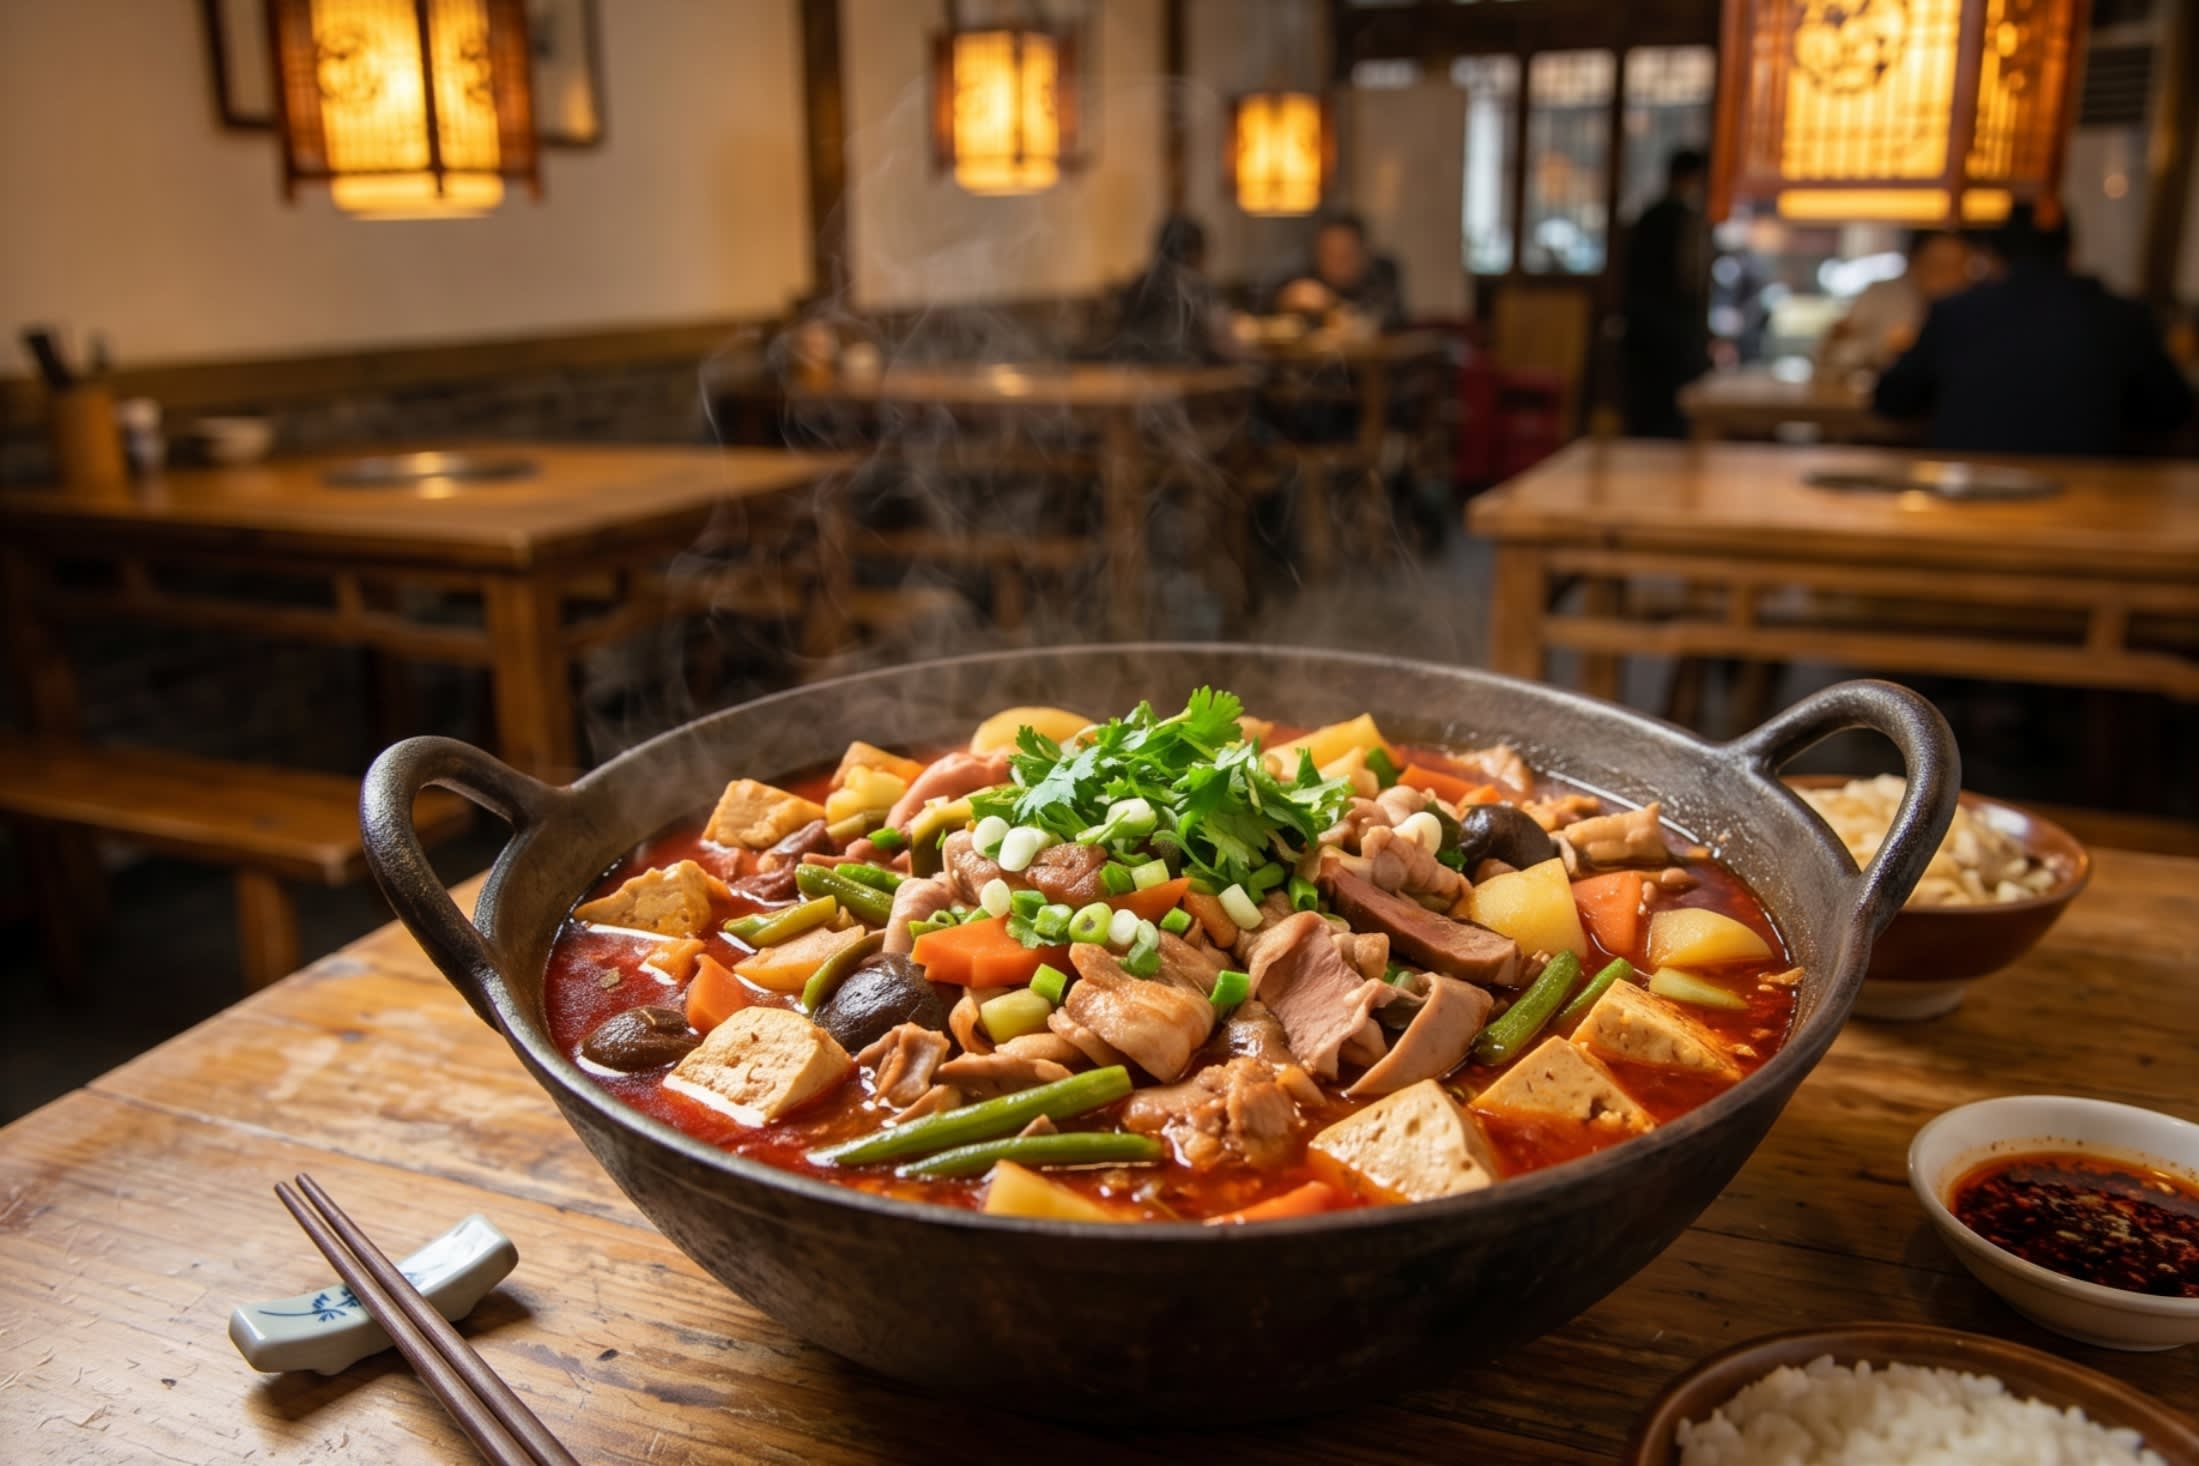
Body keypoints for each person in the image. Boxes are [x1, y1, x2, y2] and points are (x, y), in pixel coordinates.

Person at [1872, 212, 2193, 456]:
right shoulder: (2124, 317)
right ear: (2071, 252)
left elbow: (1892, 401)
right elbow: (2173, 409)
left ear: (1991, 258)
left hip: (1969, 493)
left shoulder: (1955, 313)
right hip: (2085, 500)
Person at [1620, 148, 1713, 438]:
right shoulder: (1681, 220)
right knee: (1668, 422)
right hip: (1668, 341)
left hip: (1649, 338)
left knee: (1650, 422)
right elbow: (1688, 284)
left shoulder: (1651, 217)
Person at [1817, 229, 1973, 376]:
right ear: (1914, 261)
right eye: (1937, 266)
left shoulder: (1973, 306)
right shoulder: (1880, 294)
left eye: (1956, 268)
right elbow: (1835, 351)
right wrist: (1880, 357)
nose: (1946, 276)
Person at [1105, 214, 1240, 364]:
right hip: (1188, 374)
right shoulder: (1195, 286)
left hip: (1136, 374)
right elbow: (1221, 341)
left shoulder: (1139, 284)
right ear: (1195, 253)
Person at [1272, 213, 1407, 330]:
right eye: (1329, 254)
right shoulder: (1310, 276)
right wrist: (1284, 300)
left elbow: (1386, 320)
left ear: (1365, 253)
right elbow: (1263, 304)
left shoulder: (1382, 275)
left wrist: (1330, 303)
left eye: (1346, 255)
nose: (1337, 263)